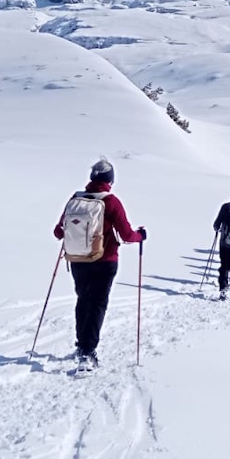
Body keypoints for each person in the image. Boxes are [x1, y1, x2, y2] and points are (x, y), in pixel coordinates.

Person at [53, 158, 146, 368]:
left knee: (83, 300)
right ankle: (88, 352)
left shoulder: (75, 198)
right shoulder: (111, 201)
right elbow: (126, 234)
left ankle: (81, 346)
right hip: (105, 259)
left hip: (77, 259)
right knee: (98, 303)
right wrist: (140, 236)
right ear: (110, 180)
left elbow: (58, 231)